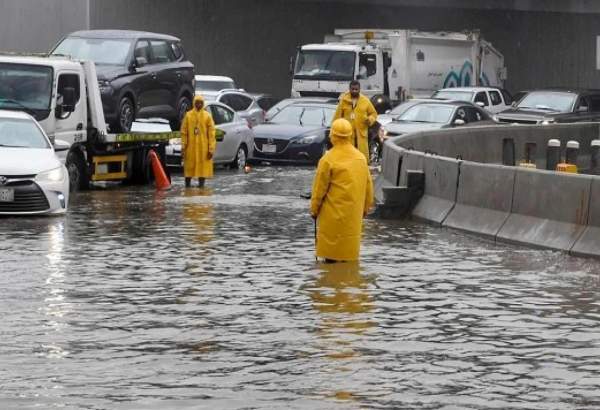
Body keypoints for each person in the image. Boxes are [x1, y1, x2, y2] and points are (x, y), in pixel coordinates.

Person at [310, 118, 374, 263]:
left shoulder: (327, 159)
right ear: (350, 136)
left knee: (331, 263)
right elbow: (369, 189)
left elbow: (319, 190)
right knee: (349, 261)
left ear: (332, 135)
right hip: (353, 220)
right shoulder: (360, 158)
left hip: (331, 221)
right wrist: (365, 209)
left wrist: (314, 210)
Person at [332, 80, 378, 163]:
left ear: (359, 89)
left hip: (361, 134)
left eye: (356, 89)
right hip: (347, 134)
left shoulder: (365, 101)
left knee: (361, 158)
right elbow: (337, 117)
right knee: (348, 158)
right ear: (349, 89)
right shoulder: (344, 100)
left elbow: (374, 114)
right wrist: (333, 132)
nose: (354, 91)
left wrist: (370, 120)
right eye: (352, 89)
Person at [180, 95, 216, 188]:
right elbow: (184, 132)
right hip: (190, 148)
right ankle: (187, 188)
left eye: (201, 102)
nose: (199, 104)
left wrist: (211, 149)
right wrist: (183, 147)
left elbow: (211, 134)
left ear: (203, 104)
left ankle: (201, 188)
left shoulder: (207, 116)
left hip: (203, 149)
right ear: (194, 103)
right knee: (189, 170)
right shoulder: (188, 115)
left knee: (202, 170)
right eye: (197, 102)